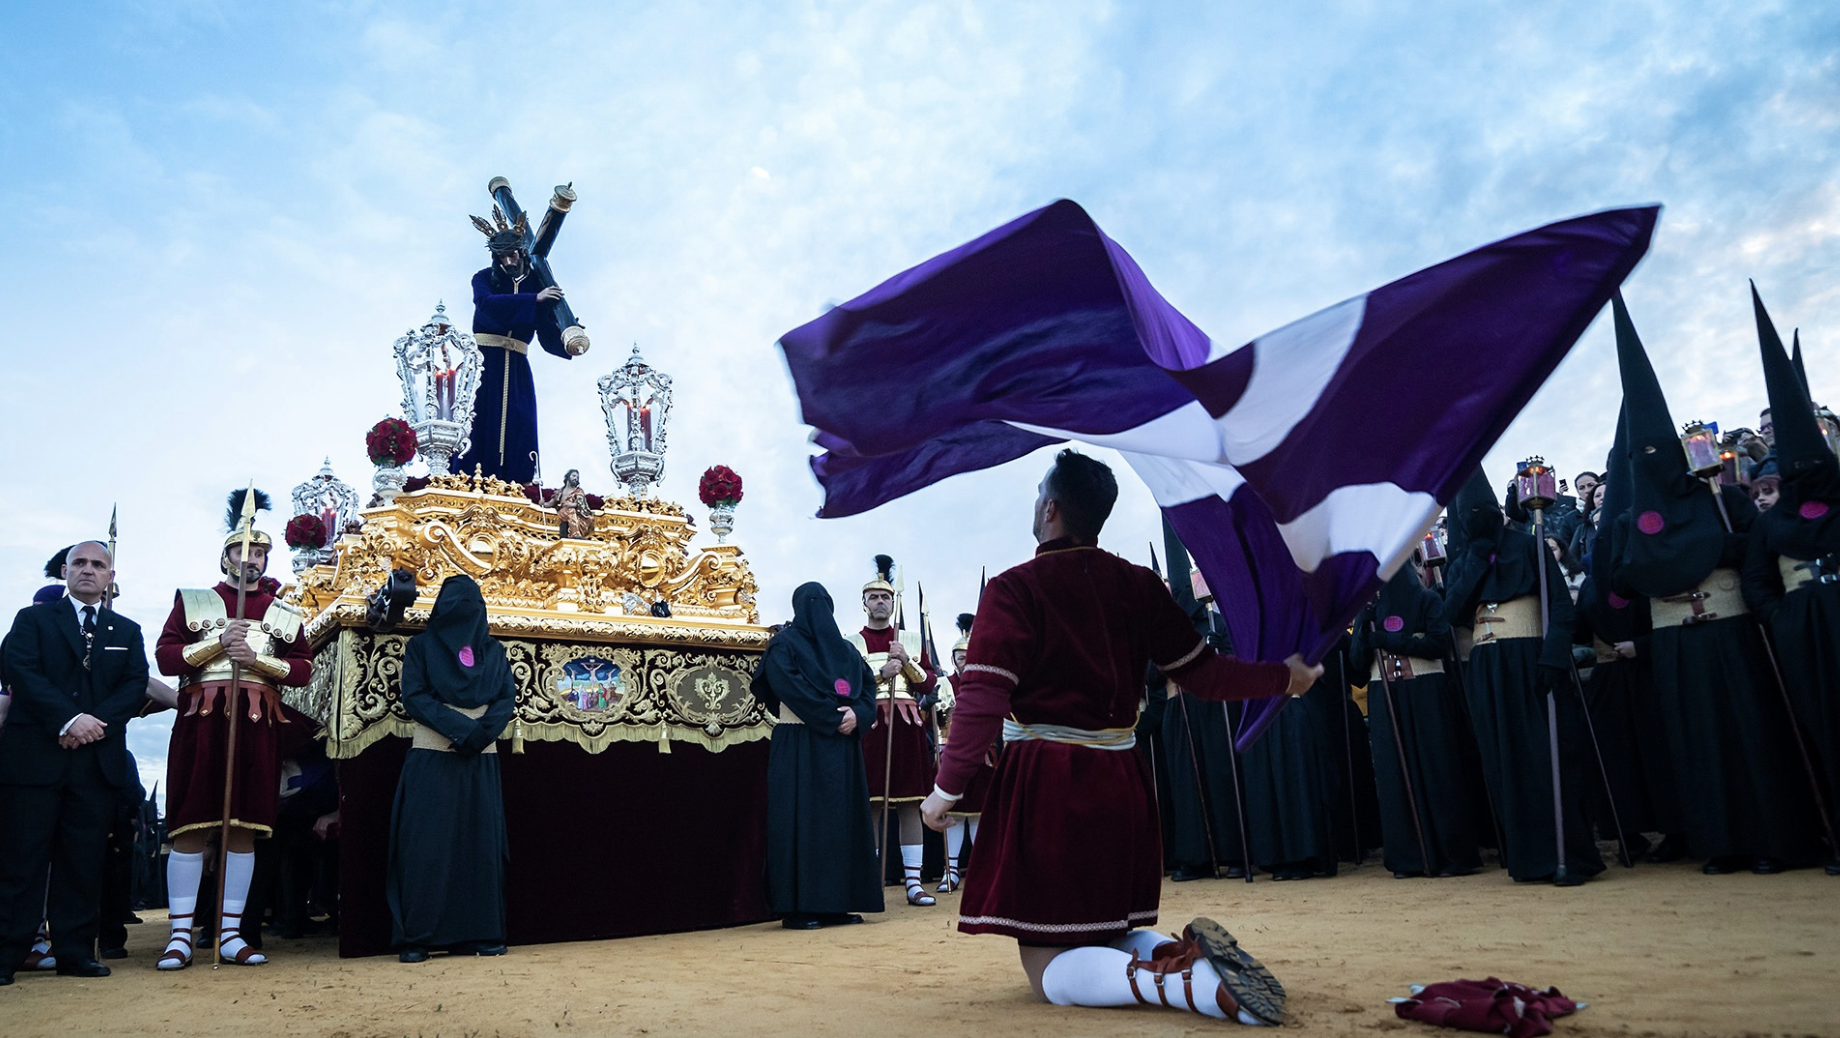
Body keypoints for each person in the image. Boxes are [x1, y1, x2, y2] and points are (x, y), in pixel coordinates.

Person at [920, 450, 1319, 1025]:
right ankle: (1183, 956)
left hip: (1050, 784)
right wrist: (1286, 676)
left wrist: (946, 788)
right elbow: (1206, 674)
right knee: (1107, 929)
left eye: (1039, 495)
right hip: (1123, 780)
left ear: (1051, 508)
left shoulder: (1013, 590)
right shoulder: (1138, 585)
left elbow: (982, 699)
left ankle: (1193, 987)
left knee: (1048, 966)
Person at [153, 491, 314, 968]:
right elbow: (165, 658)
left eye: (259, 552)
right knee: (191, 823)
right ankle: (180, 935)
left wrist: (258, 659)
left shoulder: (284, 611)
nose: (251, 559)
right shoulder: (195, 600)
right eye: (241, 550)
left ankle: (231, 933)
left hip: (257, 721)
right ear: (225, 556)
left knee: (244, 826)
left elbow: (303, 667)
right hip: (202, 720)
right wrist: (216, 646)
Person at [0, 540, 150, 985]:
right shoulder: (33, 620)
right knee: (20, 861)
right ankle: (7, 953)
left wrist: (92, 723)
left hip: (95, 763)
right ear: (65, 571)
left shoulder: (126, 631)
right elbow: (22, 672)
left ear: (111, 576)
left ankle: (76, 953)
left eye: (98, 565)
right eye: (80, 563)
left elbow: (135, 683)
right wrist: (67, 720)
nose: (88, 570)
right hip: (34, 761)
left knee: (82, 863)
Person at [1444, 469, 1603, 885]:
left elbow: (1560, 609)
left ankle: (1570, 855)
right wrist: (1477, 558)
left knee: (1545, 755)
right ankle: (1528, 858)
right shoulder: (1466, 559)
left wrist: (1553, 658)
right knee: (1503, 760)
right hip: (1486, 665)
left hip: (1529, 658)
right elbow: (1451, 614)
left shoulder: (1528, 544)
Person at [1740, 293, 1840, 874]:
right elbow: (1758, 575)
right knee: (1818, 722)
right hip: (1801, 621)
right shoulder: (1773, 519)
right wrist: (1776, 614)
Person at [388, 575, 515, 961]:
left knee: (480, 846)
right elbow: (415, 697)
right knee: (429, 847)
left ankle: (478, 933)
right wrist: (465, 731)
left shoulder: (493, 652)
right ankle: (419, 936)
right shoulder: (422, 647)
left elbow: (505, 698)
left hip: (480, 761)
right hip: (433, 758)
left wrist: (478, 736)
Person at [751, 582, 883, 929]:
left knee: (839, 825)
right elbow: (787, 686)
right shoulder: (784, 645)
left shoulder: (848, 652)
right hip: (799, 744)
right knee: (800, 821)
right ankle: (798, 907)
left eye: (822, 603)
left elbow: (868, 688)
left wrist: (860, 716)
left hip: (841, 747)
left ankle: (836, 904)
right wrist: (836, 717)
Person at [1349, 562, 1481, 878]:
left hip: (1425, 691)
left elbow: (1439, 643)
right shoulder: (1368, 611)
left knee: (1438, 768)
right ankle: (1408, 856)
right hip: (1385, 695)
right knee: (1395, 773)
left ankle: (1451, 854)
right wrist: (1366, 631)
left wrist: (1390, 640)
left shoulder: (1428, 600)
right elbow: (1356, 667)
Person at [454, 208, 578, 483]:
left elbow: (545, 327)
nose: (509, 261)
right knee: (479, 418)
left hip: (518, 364)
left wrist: (566, 338)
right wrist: (533, 300)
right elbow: (485, 305)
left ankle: (518, 480)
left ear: (522, 252)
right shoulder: (484, 278)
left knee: (519, 420)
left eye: (513, 255)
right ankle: (469, 478)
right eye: (502, 257)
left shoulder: (537, 282)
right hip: (485, 362)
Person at [847, 555, 939, 906]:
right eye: (874, 597)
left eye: (886, 597)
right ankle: (870, 882)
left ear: (892, 602)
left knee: (910, 804)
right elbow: (846, 685)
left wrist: (909, 662)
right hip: (871, 725)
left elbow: (930, 683)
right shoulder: (851, 642)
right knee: (869, 804)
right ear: (865, 603)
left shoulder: (911, 639)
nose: (881, 602)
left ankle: (913, 884)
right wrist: (881, 673)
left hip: (907, 725)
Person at [937, 613, 996, 893]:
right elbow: (938, 717)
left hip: (985, 756)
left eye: (969, 655)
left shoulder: (987, 681)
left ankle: (982, 871)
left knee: (980, 813)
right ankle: (950, 871)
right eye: (960, 656)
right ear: (953, 659)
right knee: (956, 813)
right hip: (953, 753)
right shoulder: (946, 683)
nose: (965, 660)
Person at [555, 468, 594, 538]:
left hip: (575, 512)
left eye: (577, 477)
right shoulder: (560, 491)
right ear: (567, 477)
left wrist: (573, 504)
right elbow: (551, 503)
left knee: (587, 517)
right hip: (562, 512)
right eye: (574, 476)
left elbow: (581, 502)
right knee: (570, 511)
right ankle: (575, 534)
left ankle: (577, 532)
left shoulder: (578, 491)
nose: (576, 478)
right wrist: (542, 503)